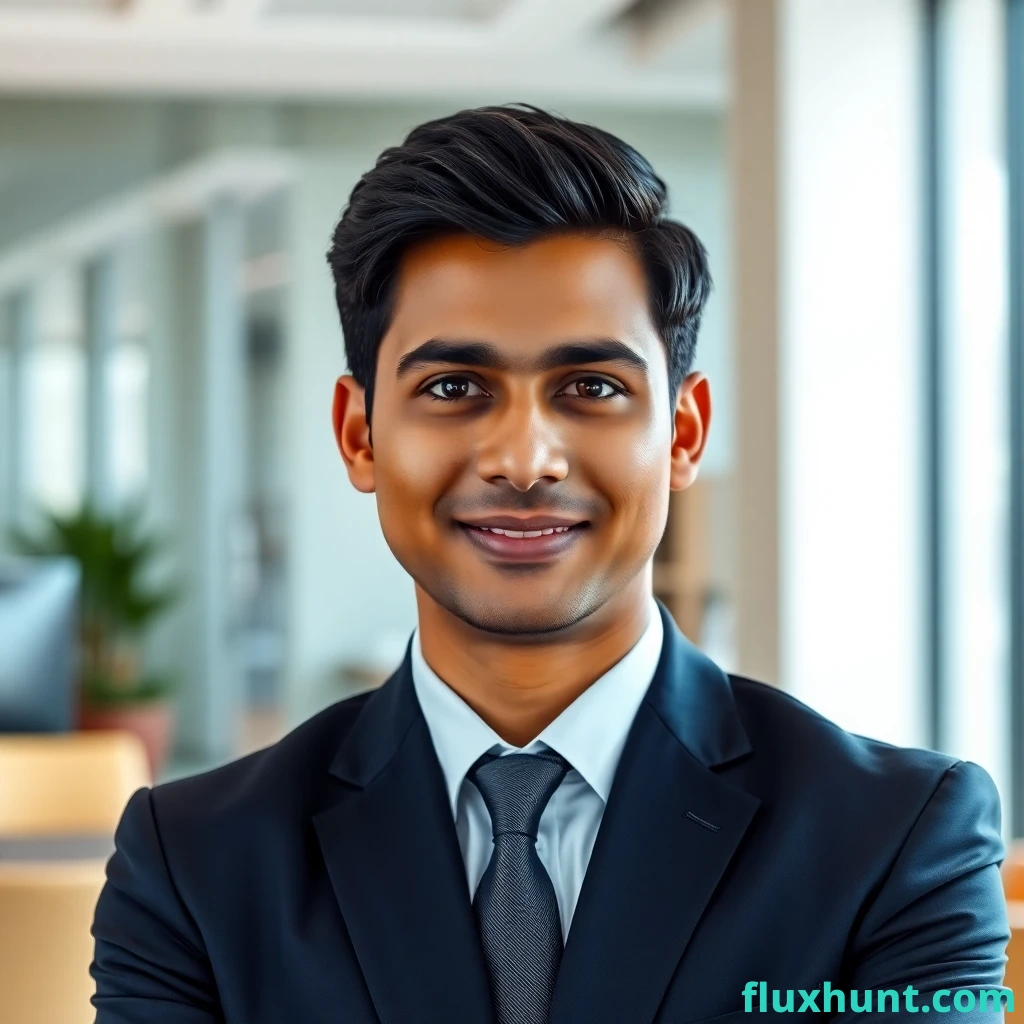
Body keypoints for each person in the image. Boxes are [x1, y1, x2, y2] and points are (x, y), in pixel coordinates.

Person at [91, 105, 1011, 1024]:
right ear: (359, 433)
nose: (525, 460)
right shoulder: (195, 867)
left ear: (683, 432)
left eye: (591, 388)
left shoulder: (894, 843)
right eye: (454, 388)